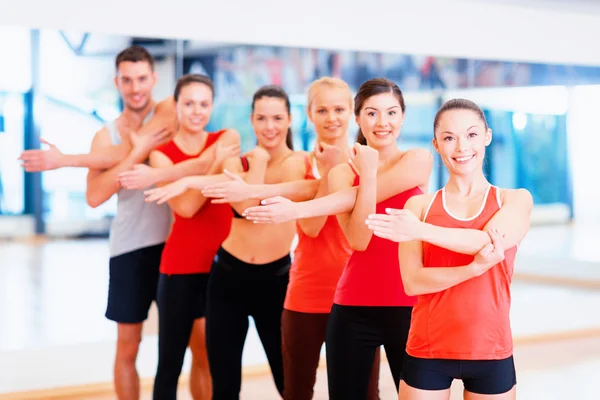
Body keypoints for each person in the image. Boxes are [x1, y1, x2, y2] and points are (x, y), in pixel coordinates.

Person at [241, 78, 433, 399]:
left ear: (402, 117)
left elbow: (355, 197)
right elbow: (359, 240)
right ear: (358, 119)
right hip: (353, 305)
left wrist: (298, 209)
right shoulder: (342, 173)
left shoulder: (417, 160)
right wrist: (364, 174)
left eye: (391, 113)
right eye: (371, 113)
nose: (382, 122)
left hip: (409, 302)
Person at [199, 77, 381, 400]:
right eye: (322, 110)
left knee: (362, 394)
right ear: (310, 114)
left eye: (339, 109)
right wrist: (327, 173)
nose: (331, 118)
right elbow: (311, 226)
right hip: (306, 295)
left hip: (357, 295)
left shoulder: (368, 163)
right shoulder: (298, 163)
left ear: (352, 113)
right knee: (295, 393)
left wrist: (333, 172)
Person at [365, 98, 532, 400]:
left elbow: (487, 241)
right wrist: (473, 269)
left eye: (471, 135)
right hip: (428, 348)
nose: (461, 147)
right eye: (449, 138)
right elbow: (413, 281)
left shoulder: (515, 200)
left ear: (487, 137)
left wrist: (420, 230)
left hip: (490, 348)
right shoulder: (419, 205)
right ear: (436, 144)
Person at [145, 85, 304, 400]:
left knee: (290, 382)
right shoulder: (238, 163)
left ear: (289, 119)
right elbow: (235, 198)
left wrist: (256, 163)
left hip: (276, 282)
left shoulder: (298, 163)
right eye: (261, 118)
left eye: (276, 118)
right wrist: (190, 179)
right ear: (252, 120)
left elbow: (253, 204)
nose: (269, 127)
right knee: (225, 386)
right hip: (228, 279)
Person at [147, 73, 239, 400]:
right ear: (176, 106)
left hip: (221, 267)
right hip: (179, 269)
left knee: (209, 358)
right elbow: (186, 207)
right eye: (189, 103)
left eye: (204, 104)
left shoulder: (227, 136)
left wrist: (203, 169)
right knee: (170, 362)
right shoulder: (161, 155)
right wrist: (213, 163)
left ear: (212, 106)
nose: (197, 111)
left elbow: (211, 191)